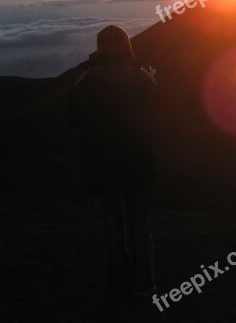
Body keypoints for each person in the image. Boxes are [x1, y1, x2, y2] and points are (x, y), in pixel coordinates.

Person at [68, 26, 158, 298]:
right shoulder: (141, 77)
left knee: (111, 223)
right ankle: (145, 284)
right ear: (127, 45)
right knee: (139, 223)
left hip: (101, 161)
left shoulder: (86, 79)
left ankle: (118, 283)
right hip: (137, 162)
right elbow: (155, 115)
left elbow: (75, 118)